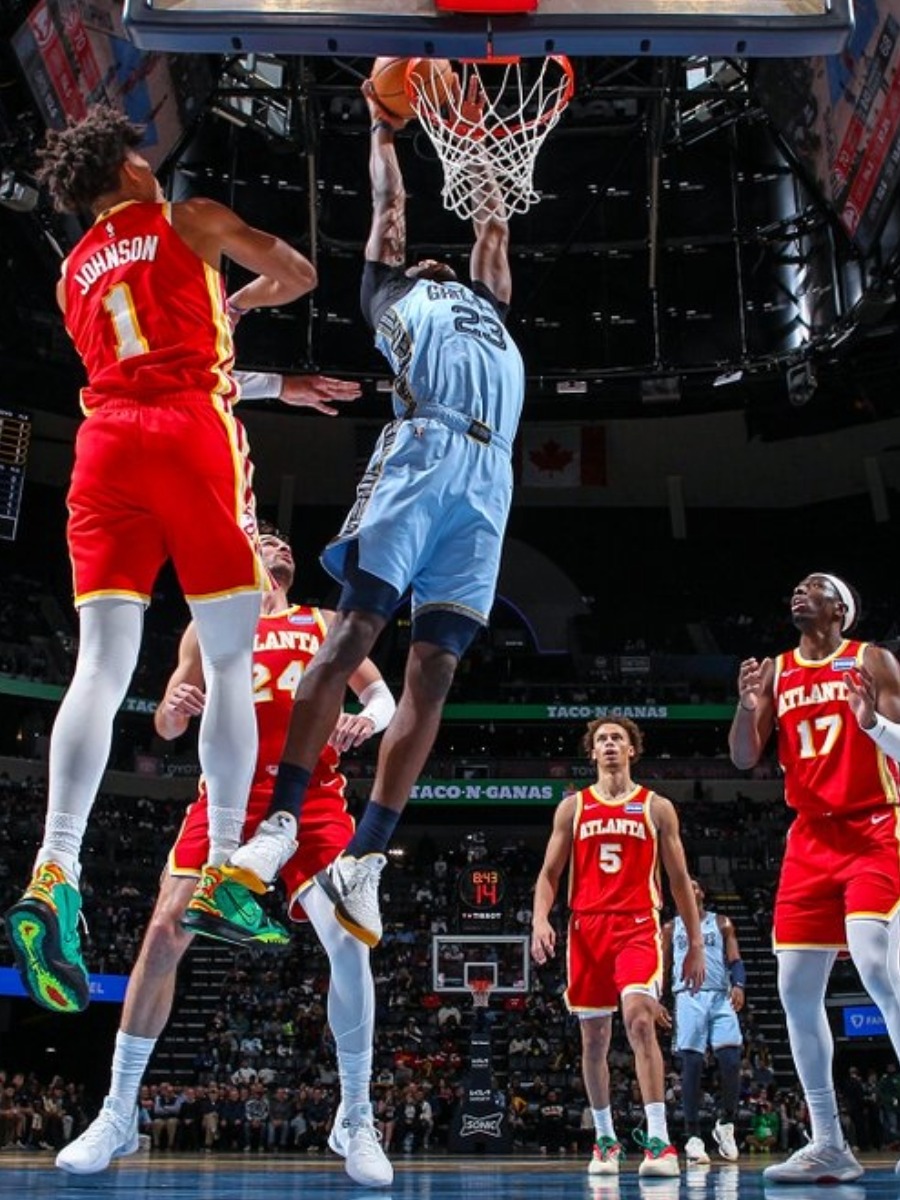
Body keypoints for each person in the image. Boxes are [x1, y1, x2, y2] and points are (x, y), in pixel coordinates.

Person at [2, 105, 356, 1015]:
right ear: (122, 172)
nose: (152, 166)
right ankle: (230, 869)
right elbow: (299, 274)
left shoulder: (72, 272)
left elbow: (149, 349)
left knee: (100, 665)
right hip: (189, 437)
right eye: (140, 157)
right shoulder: (185, 218)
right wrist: (241, 297)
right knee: (230, 659)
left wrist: (236, 342)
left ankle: (55, 869)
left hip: (104, 445)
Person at [187, 74, 525, 950]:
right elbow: (393, 203)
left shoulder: (487, 303)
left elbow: (493, 221)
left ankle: (366, 858)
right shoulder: (391, 293)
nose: (432, 257)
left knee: (437, 671)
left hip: (491, 477)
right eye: (420, 256)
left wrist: (481, 137)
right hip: (423, 452)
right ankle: (283, 824)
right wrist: (384, 130)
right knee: (350, 638)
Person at [55, 529, 395, 1188]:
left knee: (349, 940)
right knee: (161, 934)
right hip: (227, 796)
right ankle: (118, 1111)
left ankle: (355, 1115)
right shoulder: (207, 621)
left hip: (312, 797)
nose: (279, 544)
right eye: (266, 536)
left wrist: (367, 721)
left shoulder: (323, 621)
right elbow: (165, 721)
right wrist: (175, 710)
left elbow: (381, 695)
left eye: (285, 541)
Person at [729, 571, 900, 1184]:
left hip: (876, 826)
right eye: (796, 586)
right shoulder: (775, 670)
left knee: (876, 963)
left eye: (815, 587)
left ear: (841, 610)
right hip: (810, 838)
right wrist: (748, 709)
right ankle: (829, 1142)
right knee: (796, 989)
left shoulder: (872, 660)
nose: (800, 591)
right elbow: (745, 758)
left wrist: (872, 725)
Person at [531, 718, 706, 1180]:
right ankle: (605, 1139)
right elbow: (549, 874)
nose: (610, 745)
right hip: (586, 929)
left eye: (617, 739)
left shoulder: (657, 807)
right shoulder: (573, 808)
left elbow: (679, 882)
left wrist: (695, 945)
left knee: (640, 1019)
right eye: (602, 740)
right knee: (594, 1040)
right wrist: (539, 919)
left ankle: (658, 1140)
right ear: (592, 752)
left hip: (636, 926)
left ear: (632, 751)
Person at [662, 879, 744, 1165]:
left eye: (695, 885)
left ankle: (726, 1124)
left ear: (702, 892)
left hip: (720, 995)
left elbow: (734, 958)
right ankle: (693, 1136)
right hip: (688, 996)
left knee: (731, 1060)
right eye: (684, 885)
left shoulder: (721, 923)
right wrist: (659, 1001)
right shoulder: (671, 929)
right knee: (692, 1064)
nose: (691, 888)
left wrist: (740, 985)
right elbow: (663, 966)